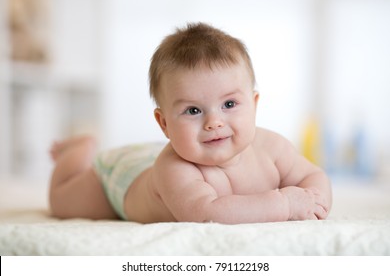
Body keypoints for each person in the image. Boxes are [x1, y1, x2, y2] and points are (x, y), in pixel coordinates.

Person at [49, 22, 332, 224]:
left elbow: (313, 177)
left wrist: (315, 201)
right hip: (124, 179)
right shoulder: (175, 169)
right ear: (165, 123)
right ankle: (80, 149)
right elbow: (209, 213)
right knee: (62, 202)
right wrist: (284, 203)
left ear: (254, 104)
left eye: (229, 105)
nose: (214, 122)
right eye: (194, 110)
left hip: (154, 152)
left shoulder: (273, 147)